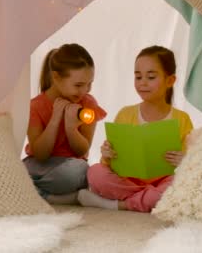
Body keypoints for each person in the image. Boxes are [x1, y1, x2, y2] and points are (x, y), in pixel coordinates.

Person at [78, 45, 193, 212]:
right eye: (138, 77)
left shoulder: (182, 119)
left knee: (180, 184)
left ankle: (119, 205)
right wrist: (107, 154)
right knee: (95, 173)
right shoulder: (125, 114)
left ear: (170, 80)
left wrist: (184, 159)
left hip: (163, 181)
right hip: (129, 181)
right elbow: (109, 163)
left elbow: (189, 163)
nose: (143, 83)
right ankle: (147, 200)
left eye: (151, 77)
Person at [24, 43, 107, 205]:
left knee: (80, 172)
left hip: (70, 164)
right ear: (56, 77)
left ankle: (32, 192)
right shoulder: (35, 106)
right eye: (78, 85)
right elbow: (40, 154)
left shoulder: (88, 104)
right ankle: (51, 196)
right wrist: (55, 119)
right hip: (39, 165)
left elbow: (82, 150)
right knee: (17, 170)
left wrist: (71, 127)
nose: (84, 91)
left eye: (89, 84)